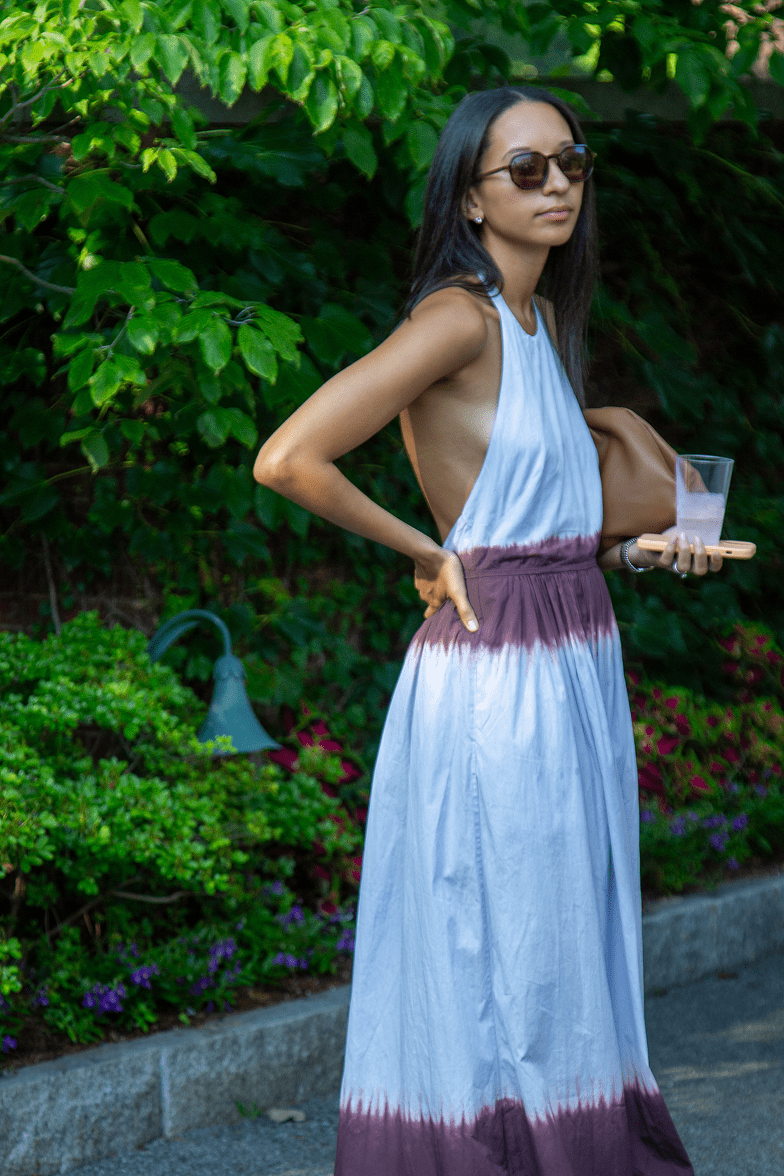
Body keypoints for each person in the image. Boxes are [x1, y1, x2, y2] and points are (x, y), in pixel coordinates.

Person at [254, 85, 719, 1176]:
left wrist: (641, 551)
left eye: (572, 162)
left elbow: (551, 528)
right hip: (500, 675)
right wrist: (423, 549)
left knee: (560, 947)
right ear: (470, 198)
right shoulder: (458, 319)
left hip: (569, 658)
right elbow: (288, 458)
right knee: (506, 944)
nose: (557, 184)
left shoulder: (537, 320)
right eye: (525, 169)